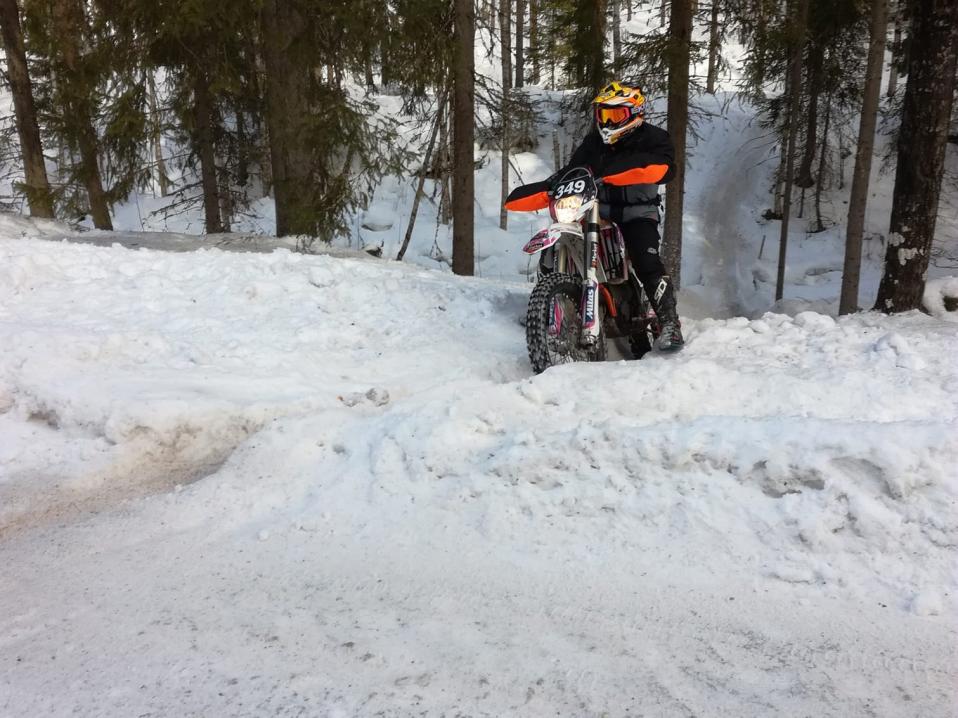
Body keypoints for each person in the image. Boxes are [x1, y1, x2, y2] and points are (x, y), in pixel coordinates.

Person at [507, 80, 684, 351]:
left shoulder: (654, 138)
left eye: (615, 115)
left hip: (638, 213)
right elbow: (573, 172)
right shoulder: (593, 143)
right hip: (595, 211)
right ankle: (546, 307)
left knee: (645, 259)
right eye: (603, 114)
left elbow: (663, 168)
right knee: (553, 249)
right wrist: (551, 185)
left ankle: (669, 323)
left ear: (635, 113)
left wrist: (610, 171)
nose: (608, 121)